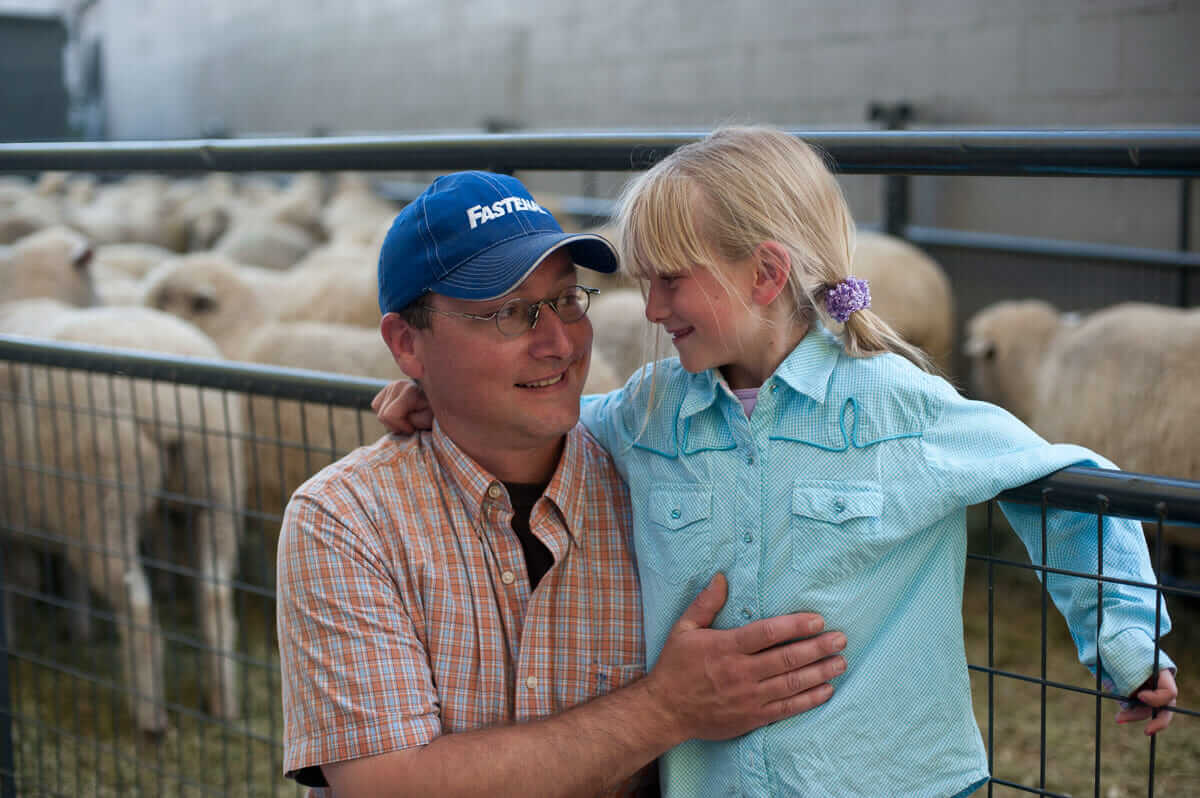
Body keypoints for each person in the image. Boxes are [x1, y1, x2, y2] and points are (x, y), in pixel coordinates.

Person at [374, 128, 1179, 797]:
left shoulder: (901, 406)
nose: (649, 309)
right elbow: (556, 422)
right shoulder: (653, 409)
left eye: (669, 282)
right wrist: (447, 402)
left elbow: (1070, 482)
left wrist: (1125, 645)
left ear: (764, 274)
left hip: (892, 782)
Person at [275, 169, 850, 797]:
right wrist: (666, 710)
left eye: (569, 301)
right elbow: (388, 785)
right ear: (408, 345)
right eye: (511, 314)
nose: (559, 344)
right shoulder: (346, 520)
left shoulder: (659, 482)